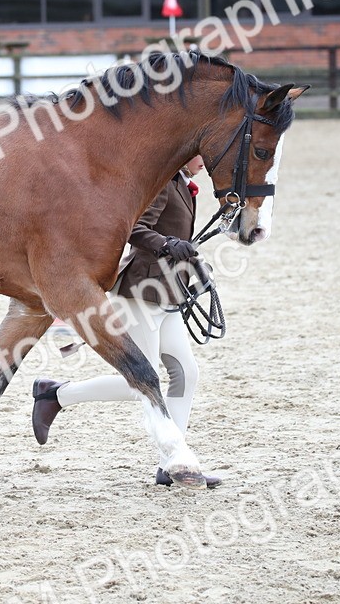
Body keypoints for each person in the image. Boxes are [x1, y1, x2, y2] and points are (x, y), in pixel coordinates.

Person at [31, 155, 223, 489]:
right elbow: (133, 228)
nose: (205, 162)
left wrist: (192, 262)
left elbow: (177, 236)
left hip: (169, 291)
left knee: (186, 373)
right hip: (142, 291)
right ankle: (57, 395)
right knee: (143, 380)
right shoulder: (163, 180)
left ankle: (170, 465)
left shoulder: (181, 183)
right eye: (200, 155)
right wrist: (166, 244)